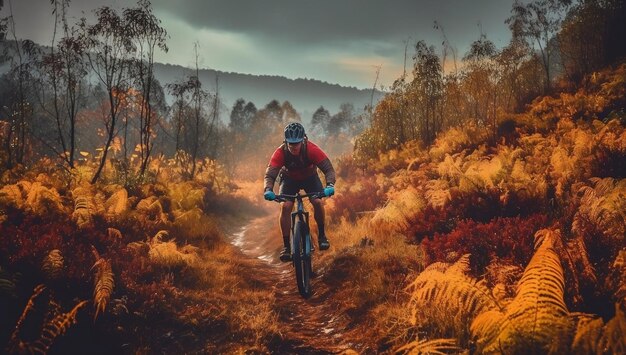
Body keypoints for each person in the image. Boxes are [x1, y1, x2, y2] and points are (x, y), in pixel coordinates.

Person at [263, 122, 336, 262]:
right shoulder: (280, 152)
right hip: (289, 179)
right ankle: (287, 247)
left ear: (303, 140)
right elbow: (270, 174)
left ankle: (322, 236)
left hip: (310, 178)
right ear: (286, 142)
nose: (294, 147)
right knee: (285, 207)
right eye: (291, 144)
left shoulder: (312, 149)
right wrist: (268, 189)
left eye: (297, 143)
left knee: (318, 202)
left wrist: (330, 185)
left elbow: (328, 169)